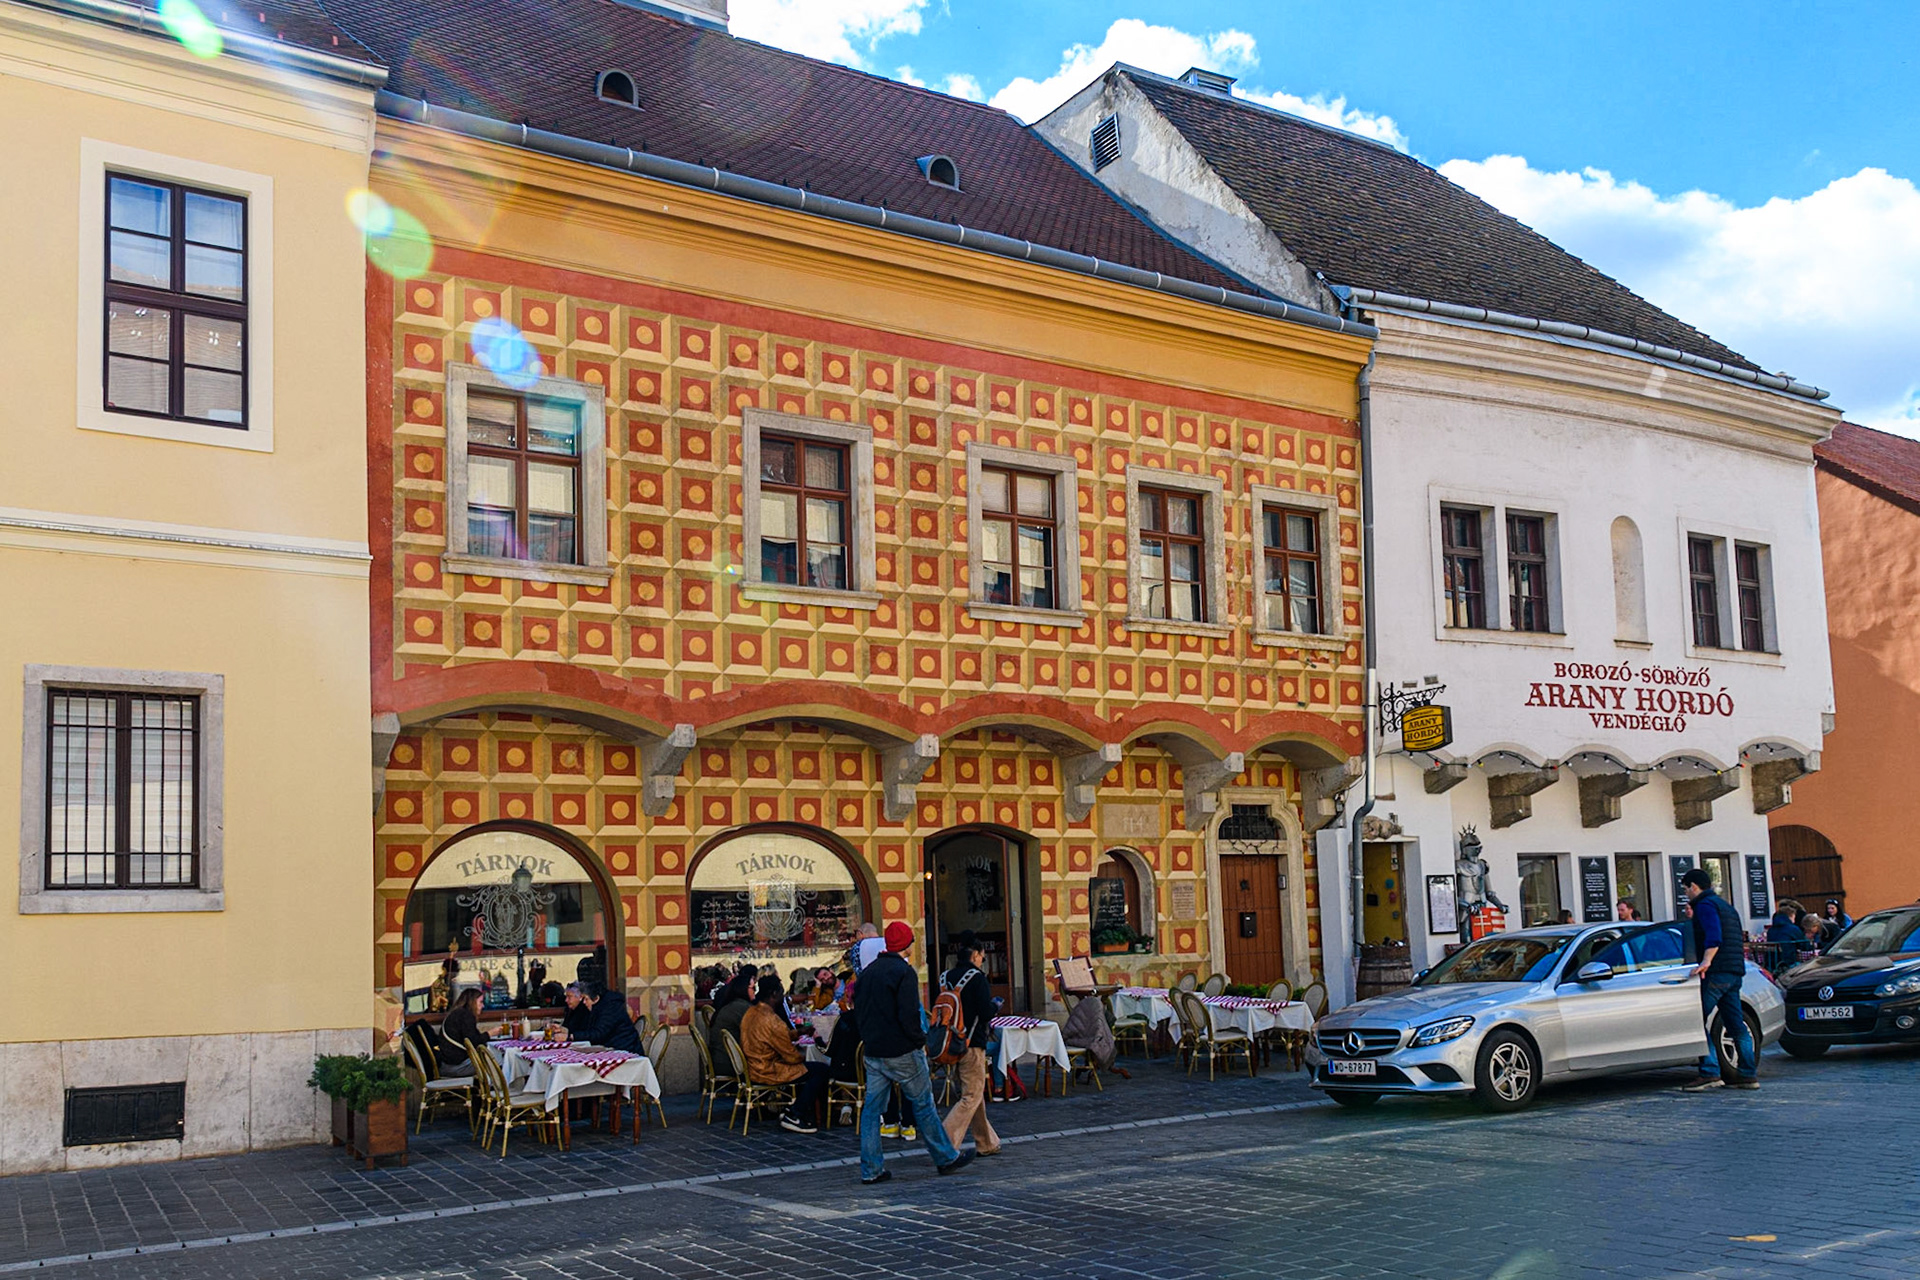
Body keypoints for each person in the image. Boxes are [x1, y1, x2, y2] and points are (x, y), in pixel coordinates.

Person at [852, 922, 972, 1185]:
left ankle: (871, 1169)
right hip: (903, 1050)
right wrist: (921, 1041)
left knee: (872, 1111)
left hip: (874, 1051)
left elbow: (859, 1012)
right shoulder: (903, 973)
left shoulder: (868, 973)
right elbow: (908, 1015)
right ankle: (944, 1157)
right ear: (906, 945)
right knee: (923, 1105)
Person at [1679, 868, 1757, 1092]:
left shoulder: (1704, 905)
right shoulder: (1726, 906)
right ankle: (1748, 1075)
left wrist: (1705, 962)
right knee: (1736, 1025)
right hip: (1734, 971)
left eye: (1686, 889)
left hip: (1717, 972)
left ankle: (1710, 1071)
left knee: (1695, 1020)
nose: (1686, 894)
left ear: (1694, 886)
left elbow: (1714, 936)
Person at [938, 932, 1002, 1158]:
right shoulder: (977, 978)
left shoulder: (945, 977)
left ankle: (986, 1142)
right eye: (982, 957)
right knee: (971, 1096)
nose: (981, 960)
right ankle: (943, 1143)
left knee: (972, 1093)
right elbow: (985, 1012)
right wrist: (995, 1006)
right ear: (975, 954)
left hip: (949, 1043)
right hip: (972, 1043)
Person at [740, 975, 830, 1134]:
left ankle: (796, 1109)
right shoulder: (773, 1020)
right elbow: (791, 1057)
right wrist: (807, 1055)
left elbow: (771, 1036)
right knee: (820, 1070)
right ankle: (796, 1113)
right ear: (774, 994)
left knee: (813, 1069)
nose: (784, 997)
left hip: (753, 1065)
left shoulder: (751, 1012)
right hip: (768, 1069)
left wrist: (798, 1033)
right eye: (781, 993)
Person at [708, 972, 754, 1079]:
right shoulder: (743, 1008)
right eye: (753, 988)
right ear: (744, 989)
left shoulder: (729, 1005)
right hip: (731, 1063)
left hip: (719, 1059)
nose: (755, 992)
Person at [437, 988, 488, 1077]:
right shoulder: (465, 1016)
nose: (482, 1006)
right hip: (456, 1067)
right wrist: (490, 1034)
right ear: (472, 1002)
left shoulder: (457, 1014)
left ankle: (491, 1087)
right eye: (480, 1002)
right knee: (497, 1058)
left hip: (446, 1064)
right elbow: (474, 1042)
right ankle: (499, 1088)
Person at [581, 986, 644, 1053]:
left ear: (596, 998)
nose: (584, 1002)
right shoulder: (600, 1007)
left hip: (627, 1050)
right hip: (615, 1047)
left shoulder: (610, 1009)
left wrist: (573, 1036)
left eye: (586, 999)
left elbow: (599, 1034)